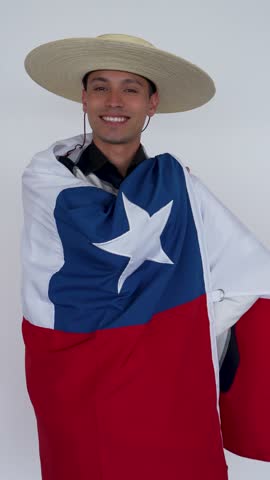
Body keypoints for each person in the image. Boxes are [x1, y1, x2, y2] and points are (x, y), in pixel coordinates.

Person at [22, 34, 270, 480]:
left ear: (152, 103)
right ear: (83, 97)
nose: (113, 101)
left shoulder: (180, 192)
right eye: (100, 86)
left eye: (130, 88)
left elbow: (253, 275)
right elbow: (55, 287)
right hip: (73, 387)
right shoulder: (46, 183)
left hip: (163, 388)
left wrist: (179, 333)